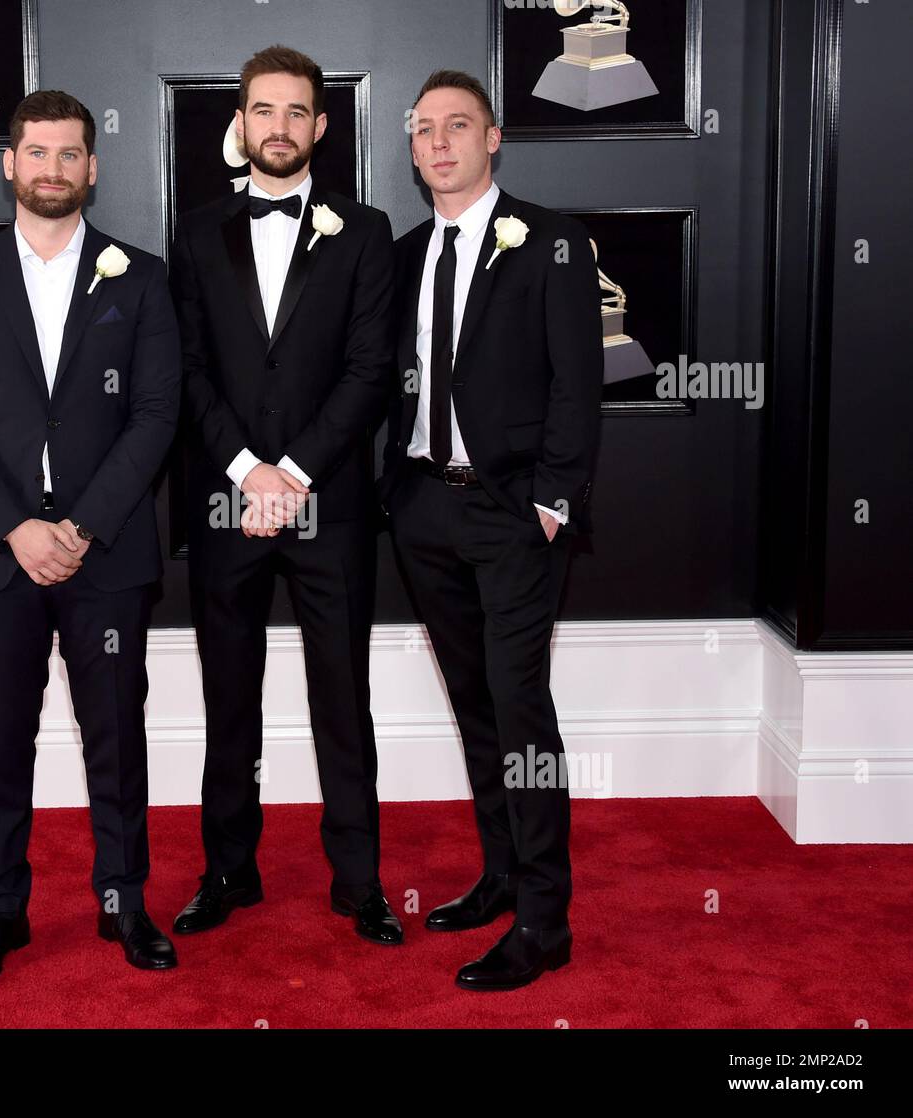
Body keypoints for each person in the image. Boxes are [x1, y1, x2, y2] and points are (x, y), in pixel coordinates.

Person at [0, 90, 182, 983]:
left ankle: (124, 905)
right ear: (10, 162)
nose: (53, 171)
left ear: (94, 168)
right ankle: (2, 916)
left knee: (117, 735)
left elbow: (155, 416)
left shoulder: (139, 277)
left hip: (104, 553)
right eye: (37, 154)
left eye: (70, 155)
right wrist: (19, 528)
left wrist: (75, 526)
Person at [169, 45, 401, 945]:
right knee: (230, 699)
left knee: (344, 698)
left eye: (297, 112)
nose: (280, 127)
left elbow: (369, 371)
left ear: (320, 126)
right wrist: (246, 473)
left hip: (329, 503)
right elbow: (186, 370)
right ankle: (228, 871)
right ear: (242, 121)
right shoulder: (194, 233)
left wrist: (293, 473)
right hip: (228, 505)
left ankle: (360, 882)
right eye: (264, 110)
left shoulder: (368, 231)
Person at [381, 70, 603, 990]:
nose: (439, 143)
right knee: (475, 707)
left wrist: (552, 502)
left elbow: (577, 385)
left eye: (457, 126)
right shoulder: (400, 257)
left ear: (494, 137)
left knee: (521, 716)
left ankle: (546, 922)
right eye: (424, 129)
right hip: (425, 509)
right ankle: (501, 876)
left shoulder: (551, 241)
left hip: (514, 517)